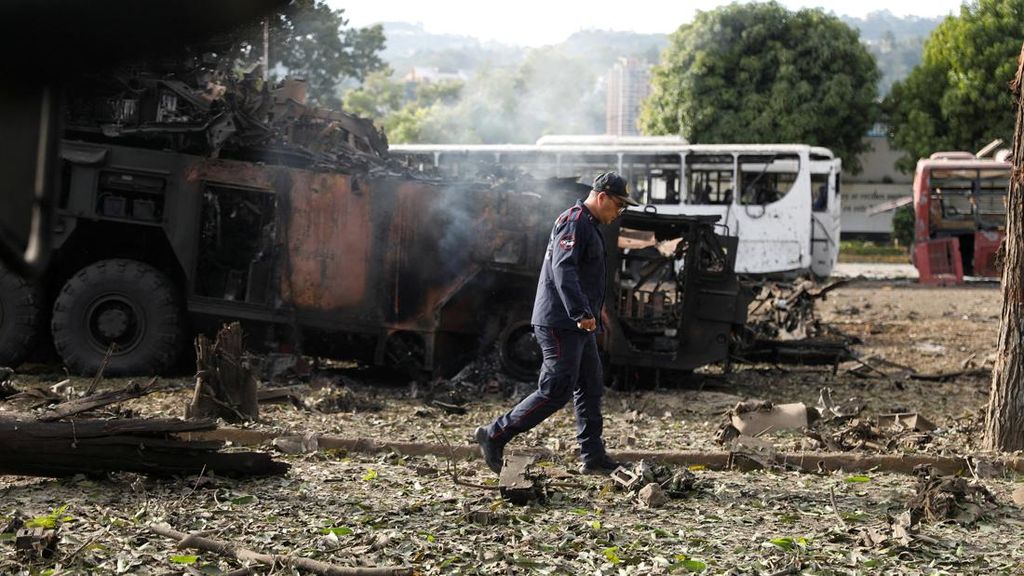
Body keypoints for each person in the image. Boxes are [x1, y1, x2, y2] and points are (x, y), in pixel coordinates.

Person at [475, 171, 639, 475]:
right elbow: (563, 270)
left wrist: (595, 309)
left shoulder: (588, 224)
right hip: (563, 322)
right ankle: (494, 434)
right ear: (602, 197)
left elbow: (582, 273)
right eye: (619, 205)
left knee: (590, 384)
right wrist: (581, 312)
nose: (620, 213)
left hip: (577, 322)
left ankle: (592, 457)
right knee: (555, 390)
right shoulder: (575, 221)